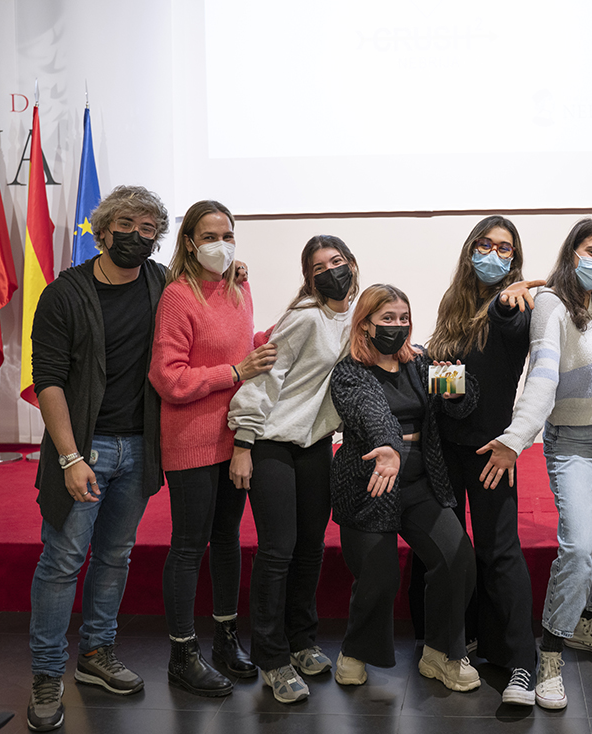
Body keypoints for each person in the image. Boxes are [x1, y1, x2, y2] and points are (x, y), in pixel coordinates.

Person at [477, 149, 592, 710]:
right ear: (572, 253)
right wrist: (515, 437)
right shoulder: (551, 305)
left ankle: (588, 622)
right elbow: (543, 378)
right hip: (571, 439)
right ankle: (549, 656)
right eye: (591, 251)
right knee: (578, 548)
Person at [27, 186, 170, 732]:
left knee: (115, 556)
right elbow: (48, 380)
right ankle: (46, 673)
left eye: (148, 228)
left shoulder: (162, 283)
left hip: (141, 448)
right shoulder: (64, 293)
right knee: (63, 560)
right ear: (103, 230)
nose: (136, 235)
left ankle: (95, 654)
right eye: (126, 224)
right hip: (84, 449)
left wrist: (236, 273)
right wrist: (69, 458)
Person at [148, 200, 277, 697]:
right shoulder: (178, 296)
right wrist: (235, 372)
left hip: (235, 437)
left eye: (228, 235)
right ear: (189, 242)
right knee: (188, 544)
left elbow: (240, 346)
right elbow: (168, 377)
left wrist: (278, 336)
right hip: (191, 441)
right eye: (209, 236)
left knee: (227, 539)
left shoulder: (238, 287)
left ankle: (225, 638)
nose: (221, 245)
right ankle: (182, 653)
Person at [226, 235, 360, 703]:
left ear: (352, 264)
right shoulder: (304, 317)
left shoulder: (355, 320)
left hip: (314, 444)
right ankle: (272, 657)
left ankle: (302, 641)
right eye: (319, 267)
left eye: (336, 261)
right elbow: (267, 376)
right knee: (278, 549)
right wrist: (243, 442)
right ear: (309, 278)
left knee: (310, 549)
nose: (330, 272)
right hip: (270, 442)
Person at [329, 284, 479, 693]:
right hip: (369, 486)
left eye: (403, 318)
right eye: (387, 319)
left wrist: (458, 388)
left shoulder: (419, 362)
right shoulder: (349, 373)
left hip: (420, 483)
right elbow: (372, 412)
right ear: (365, 324)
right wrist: (389, 447)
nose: (397, 326)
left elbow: (460, 403)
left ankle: (441, 652)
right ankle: (354, 652)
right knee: (379, 575)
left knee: (456, 558)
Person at [419, 216, 544, 706]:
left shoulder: (513, 306)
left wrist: (509, 299)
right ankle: (461, 639)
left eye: (504, 248)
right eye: (485, 244)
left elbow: (509, 322)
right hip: (444, 445)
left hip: (492, 450)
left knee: (499, 549)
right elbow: (451, 373)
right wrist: (431, 369)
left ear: (515, 259)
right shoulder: (454, 302)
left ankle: (521, 662)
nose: (493, 254)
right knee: (452, 548)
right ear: (471, 249)